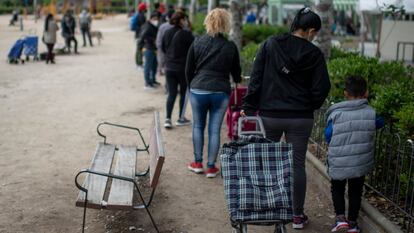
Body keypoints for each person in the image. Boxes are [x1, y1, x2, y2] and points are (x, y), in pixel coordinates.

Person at [241, 7, 331, 229]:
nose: (314, 37)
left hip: (271, 115)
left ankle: (272, 209)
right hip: (300, 118)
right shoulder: (314, 54)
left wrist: (249, 106)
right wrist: (309, 105)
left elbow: (256, 77)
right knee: (297, 165)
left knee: (270, 162)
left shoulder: (271, 44)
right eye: (315, 33)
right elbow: (323, 87)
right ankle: (297, 216)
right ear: (310, 30)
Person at [185, 8, 241, 178]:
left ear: (208, 22)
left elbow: (188, 69)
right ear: (226, 24)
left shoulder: (197, 42)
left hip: (198, 89)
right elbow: (237, 74)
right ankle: (211, 166)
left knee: (198, 126)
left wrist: (191, 87)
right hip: (221, 91)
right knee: (215, 129)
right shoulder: (230, 46)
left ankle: (197, 163)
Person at [325, 75, 384, 233]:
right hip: (359, 160)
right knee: (355, 191)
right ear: (366, 93)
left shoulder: (336, 113)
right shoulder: (370, 113)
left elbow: (328, 135)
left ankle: (340, 220)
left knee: (337, 188)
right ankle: (352, 223)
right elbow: (380, 123)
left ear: (345, 93)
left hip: (339, 159)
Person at [162, 11, 194, 128]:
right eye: (185, 19)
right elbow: (193, 50)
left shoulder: (167, 32)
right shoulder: (186, 34)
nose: (186, 21)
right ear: (181, 20)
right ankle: (180, 118)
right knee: (183, 93)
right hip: (182, 68)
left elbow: (163, 48)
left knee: (171, 93)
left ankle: (167, 119)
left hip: (169, 67)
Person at [139, 12, 160, 89]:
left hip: (153, 49)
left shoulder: (153, 26)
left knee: (154, 65)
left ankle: (152, 81)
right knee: (148, 67)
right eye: (155, 19)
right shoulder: (147, 27)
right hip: (148, 49)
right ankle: (147, 83)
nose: (156, 20)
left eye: (157, 19)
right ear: (151, 19)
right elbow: (142, 38)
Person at [156, 10, 174, 76]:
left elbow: (159, 38)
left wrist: (158, 46)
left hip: (162, 46)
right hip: (171, 47)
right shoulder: (176, 26)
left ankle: (159, 71)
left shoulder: (163, 26)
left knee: (161, 60)